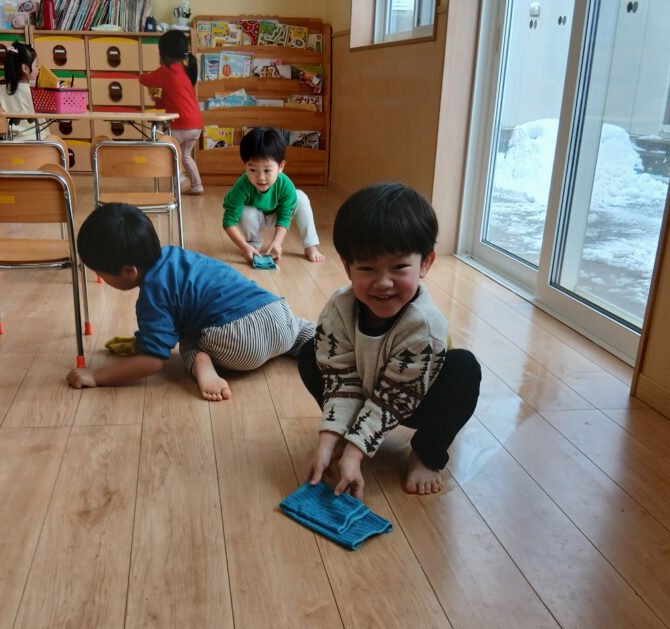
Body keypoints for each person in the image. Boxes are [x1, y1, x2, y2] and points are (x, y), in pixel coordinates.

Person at [297, 183, 482, 497]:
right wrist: (327, 441)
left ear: (425, 263)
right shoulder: (339, 309)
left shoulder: (425, 325)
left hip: (414, 399)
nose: (383, 282)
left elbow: (395, 398)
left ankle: (426, 453)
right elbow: (340, 379)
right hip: (362, 387)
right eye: (367, 268)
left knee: (464, 369)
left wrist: (355, 454)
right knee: (308, 353)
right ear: (347, 266)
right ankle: (347, 429)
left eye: (399, 267)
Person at [65, 203, 316, 401]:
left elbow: (153, 361)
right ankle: (326, 343)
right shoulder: (175, 254)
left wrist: (96, 376)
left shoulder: (152, 295)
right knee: (298, 329)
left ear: (129, 271)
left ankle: (202, 365)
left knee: (187, 338)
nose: (99, 276)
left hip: (240, 345)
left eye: (100, 272)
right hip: (277, 314)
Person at [222, 127, 325, 264]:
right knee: (246, 210)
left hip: (277, 215)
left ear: (281, 167)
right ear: (245, 165)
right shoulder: (242, 186)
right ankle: (253, 244)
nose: (260, 177)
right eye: (252, 169)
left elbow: (285, 215)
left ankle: (310, 245)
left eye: (267, 170)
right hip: (255, 218)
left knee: (300, 197)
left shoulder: (285, 184)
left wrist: (277, 243)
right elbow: (229, 221)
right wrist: (243, 246)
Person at [138, 29, 204, 195]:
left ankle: (180, 180)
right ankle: (197, 185)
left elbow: (143, 79)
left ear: (164, 54)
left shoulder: (166, 71)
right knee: (185, 155)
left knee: (165, 149)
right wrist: (158, 98)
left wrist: (152, 84)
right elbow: (170, 98)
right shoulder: (185, 70)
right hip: (196, 124)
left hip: (181, 125)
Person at [0, 42, 40, 141]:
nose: (38, 70)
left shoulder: (1, 91)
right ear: (25, 68)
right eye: (36, 66)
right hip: (39, 142)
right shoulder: (36, 91)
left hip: (10, 144)